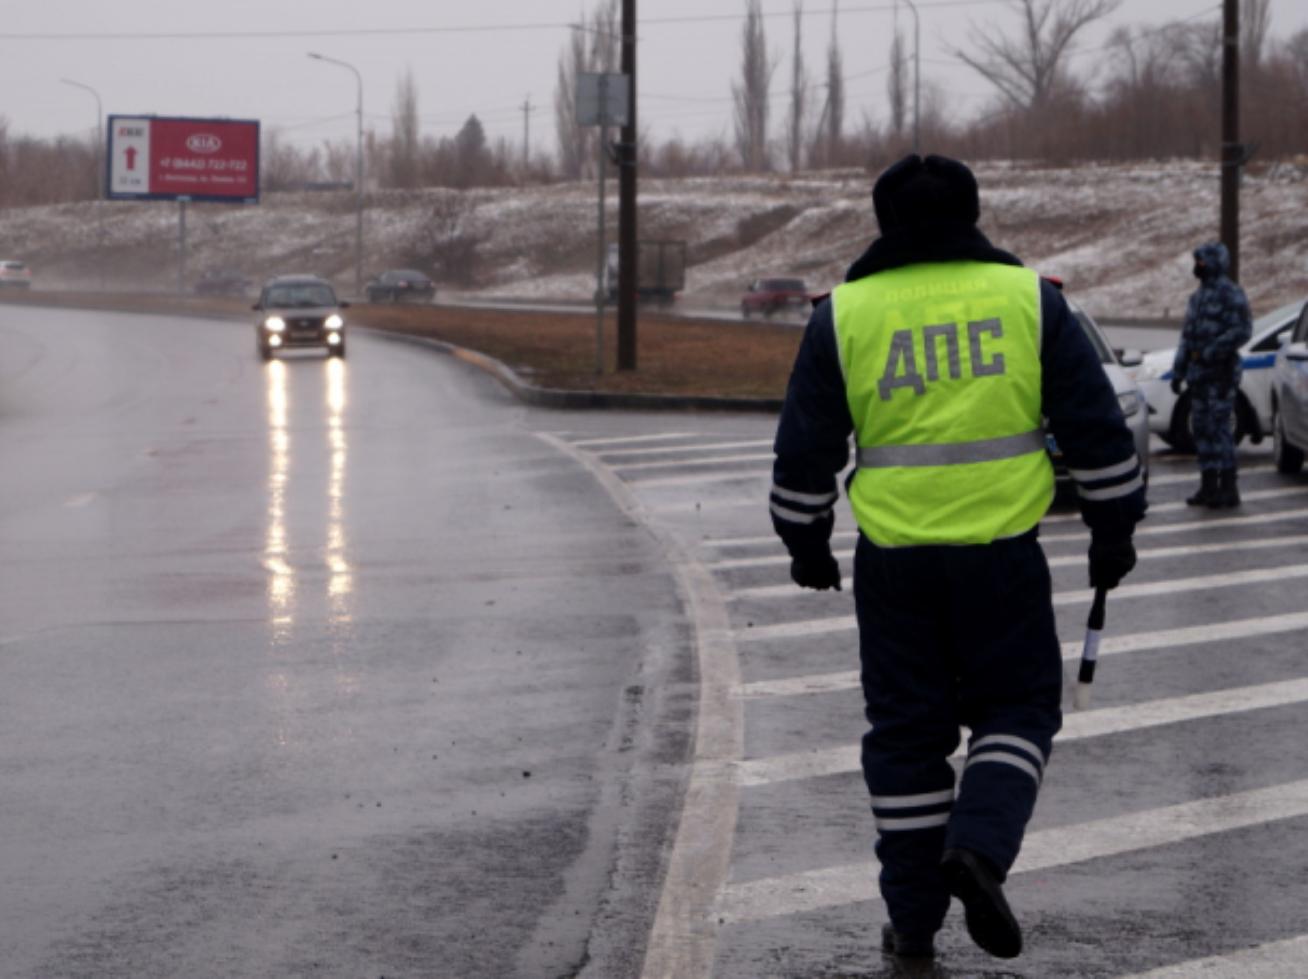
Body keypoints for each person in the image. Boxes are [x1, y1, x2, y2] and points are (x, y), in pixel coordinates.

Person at [769, 154, 1147, 963]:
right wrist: (1114, 529)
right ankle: (978, 845)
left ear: (883, 222)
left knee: (906, 739)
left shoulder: (845, 315)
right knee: (1017, 712)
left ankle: (912, 923)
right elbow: (1096, 429)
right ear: (974, 215)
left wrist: (806, 542)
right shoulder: (1026, 300)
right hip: (1003, 559)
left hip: (894, 564)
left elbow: (804, 449)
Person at [1170, 242, 1253, 508]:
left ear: (1214, 263)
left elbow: (1242, 330)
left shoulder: (1231, 294)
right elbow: (1187, 338)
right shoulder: (1198, 298)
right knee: (1202, 430)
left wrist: (1211, 351)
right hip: (1198, 376)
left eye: (1202, 262)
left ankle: (1228, 487)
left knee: (1219, 429)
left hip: (1221, 374)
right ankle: (1208, 486)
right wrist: (1179, 370)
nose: (1198, 267)